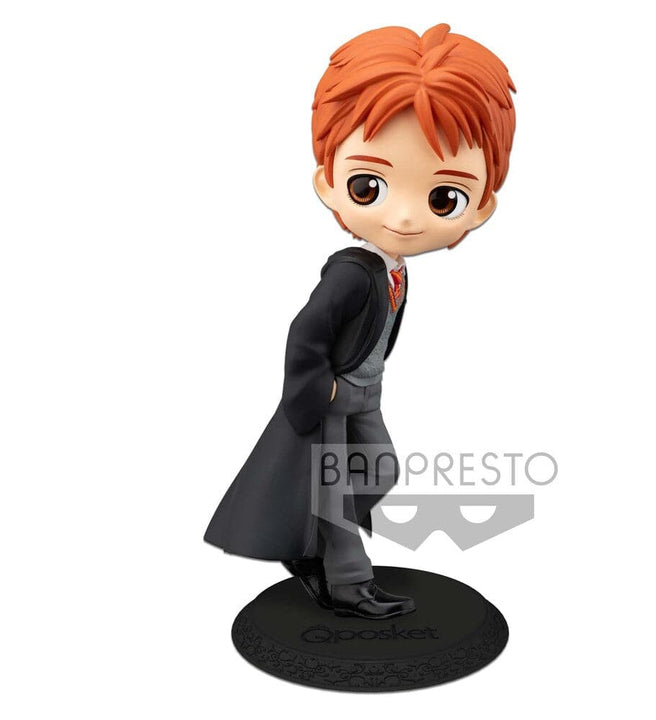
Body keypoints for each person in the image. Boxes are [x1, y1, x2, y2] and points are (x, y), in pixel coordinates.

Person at [204, 23, 516, 619]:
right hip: (333, 395)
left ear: (481, 206)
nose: (405, 217)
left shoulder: (393, 269)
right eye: (369, 185)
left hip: (366, 392)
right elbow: (305, 332)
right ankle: (349, 583)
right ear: (330, 182)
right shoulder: (351, 272)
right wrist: (317, 390)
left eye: (442, 197)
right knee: (333, 492)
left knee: (377, 467)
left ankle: (314, 549)